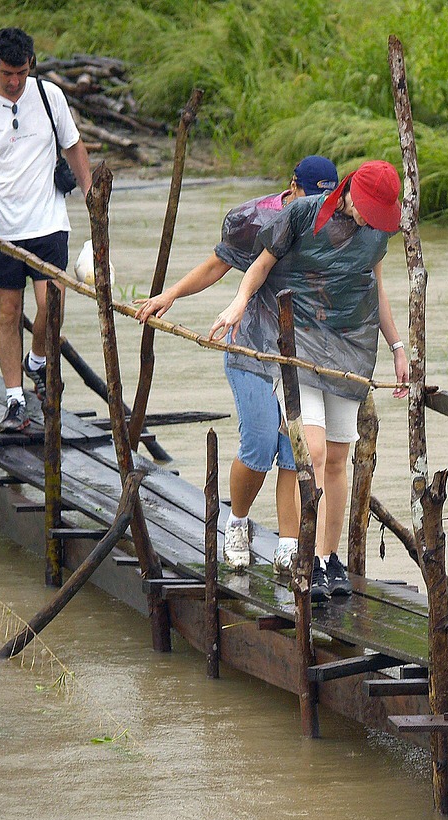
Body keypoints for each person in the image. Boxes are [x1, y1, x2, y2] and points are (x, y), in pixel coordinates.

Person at [211, 160, 408, 602]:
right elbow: (259, 266)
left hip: (350, 351)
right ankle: (307, 555)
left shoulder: (376, 235)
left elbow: (376, 290)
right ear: (351, 192)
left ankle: (328, 557)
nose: (371, 221)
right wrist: (238, 305)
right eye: (368, 209)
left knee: (339, 457)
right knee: (313, 452)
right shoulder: (302, 215)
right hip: (298, 343)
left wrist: (397, 348)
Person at [134, 156, 340, 573]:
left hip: (303, 353)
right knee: (261, 443)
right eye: (311, 197)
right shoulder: (254, 219)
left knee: (292, 450)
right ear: (293, 186)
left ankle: (287, 542)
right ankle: (238, 521)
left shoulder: (334, 223)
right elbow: (218, 263)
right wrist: (170, 294)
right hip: (252, 346)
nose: (317, 207)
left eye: (326, 199)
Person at [0, 27, 92, 433]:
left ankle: (37, 358)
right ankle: (15, 397)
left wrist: (90, 190)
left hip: (47, 221)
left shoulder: (50, 96)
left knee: (53, 302)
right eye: (5, 74)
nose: (14, 82)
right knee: (7, 310)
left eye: (20, 72)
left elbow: (73, 145)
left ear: (30, 64)